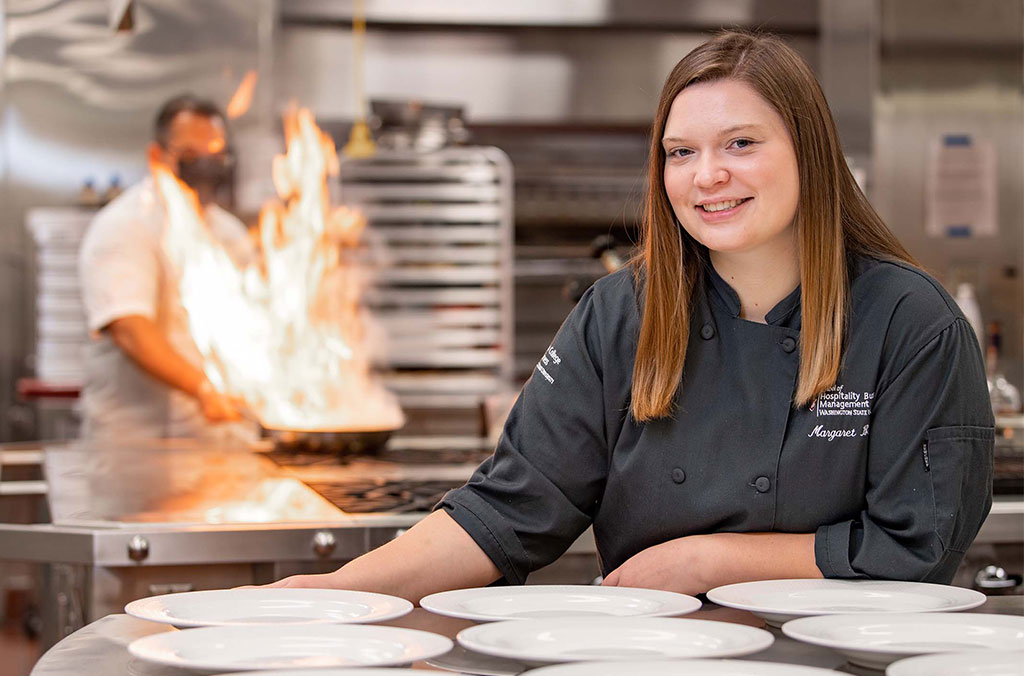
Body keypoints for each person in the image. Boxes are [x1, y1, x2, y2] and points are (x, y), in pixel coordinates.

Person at [268, 31, 994, 599]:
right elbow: (509, 509)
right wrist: (340, 592)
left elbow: (912, 551)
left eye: (741, 143)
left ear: (811, 152)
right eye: (681, 153)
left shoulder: (909, 323)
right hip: (655, 656)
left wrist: (706, 560)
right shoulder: (622, 315)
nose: (707, 175)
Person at [78, 95, 256, 441]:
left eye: (216, 155)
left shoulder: (228, 232)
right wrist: (203, 388)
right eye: (191, 156)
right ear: (156, 157)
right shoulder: (125, 226)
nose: (206, 165)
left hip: (218, 440)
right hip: (139, 444)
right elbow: (130, 329)